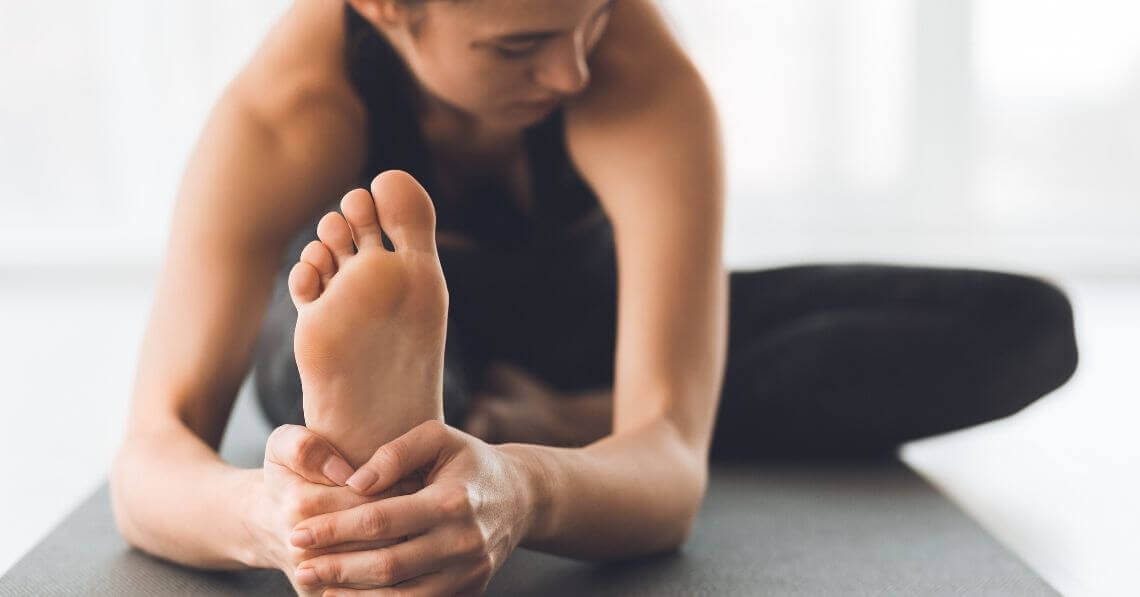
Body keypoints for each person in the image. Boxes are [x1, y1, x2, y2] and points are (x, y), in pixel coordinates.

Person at [110, 0, 1079, 595]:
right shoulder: (289, 109)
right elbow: (150, 460)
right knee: (302, 319)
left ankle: (535, 420)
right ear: (380, 5)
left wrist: (524, 484)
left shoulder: (642, 78)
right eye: (520, 45)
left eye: (596, 18)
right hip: (397, 334)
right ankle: (416, 417)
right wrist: (271, 521)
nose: (573, 71)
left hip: (594, 326)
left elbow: (669, 476)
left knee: (1026, 328)